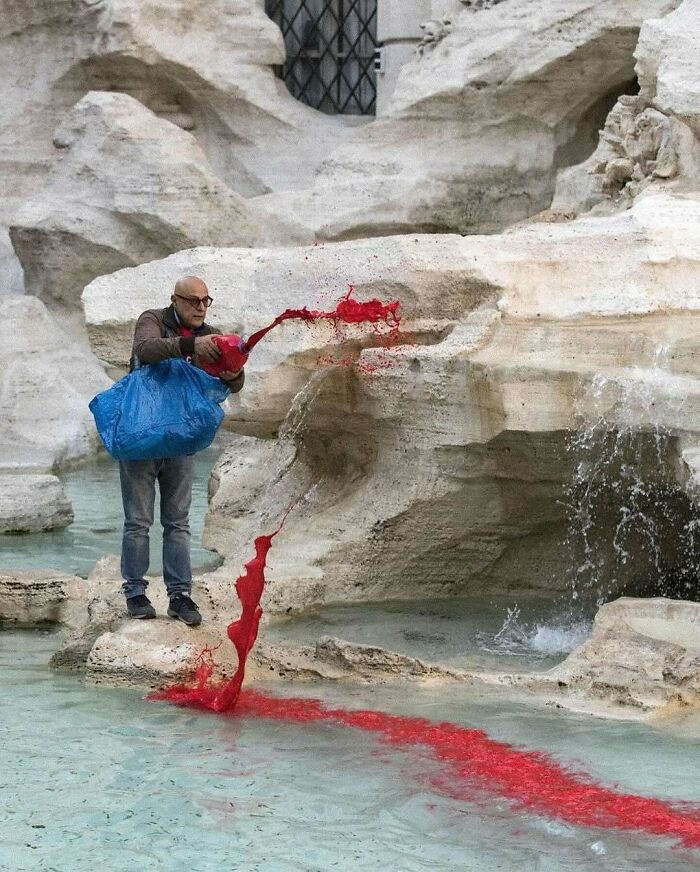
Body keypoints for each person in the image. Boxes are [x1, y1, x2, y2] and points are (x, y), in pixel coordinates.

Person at [120, 276, 244, 626]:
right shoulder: (153, 320)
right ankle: (135, 592)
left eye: (205, 300)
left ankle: (180, 596)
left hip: (181, 439)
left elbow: (233, 382)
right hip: (142, 435)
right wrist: (190, 347)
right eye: (192, 300)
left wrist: (235, 374)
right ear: (174, 300)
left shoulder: (212, 333)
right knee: (138, 521)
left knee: (177, 522)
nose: (200, 307)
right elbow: (146, 350)